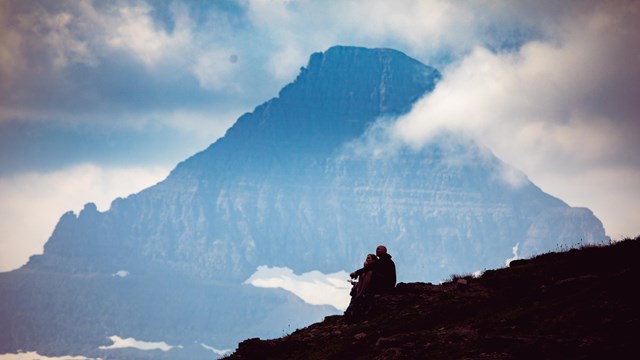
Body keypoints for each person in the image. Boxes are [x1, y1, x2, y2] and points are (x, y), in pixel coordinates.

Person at [344, 254, 377, 320]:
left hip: (371, 288)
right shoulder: (367, 271)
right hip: (364, 288)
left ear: (373, 260)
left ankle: (358, 296)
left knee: (355, 291)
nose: (367, 259)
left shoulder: (373, 269)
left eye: (369, 258)